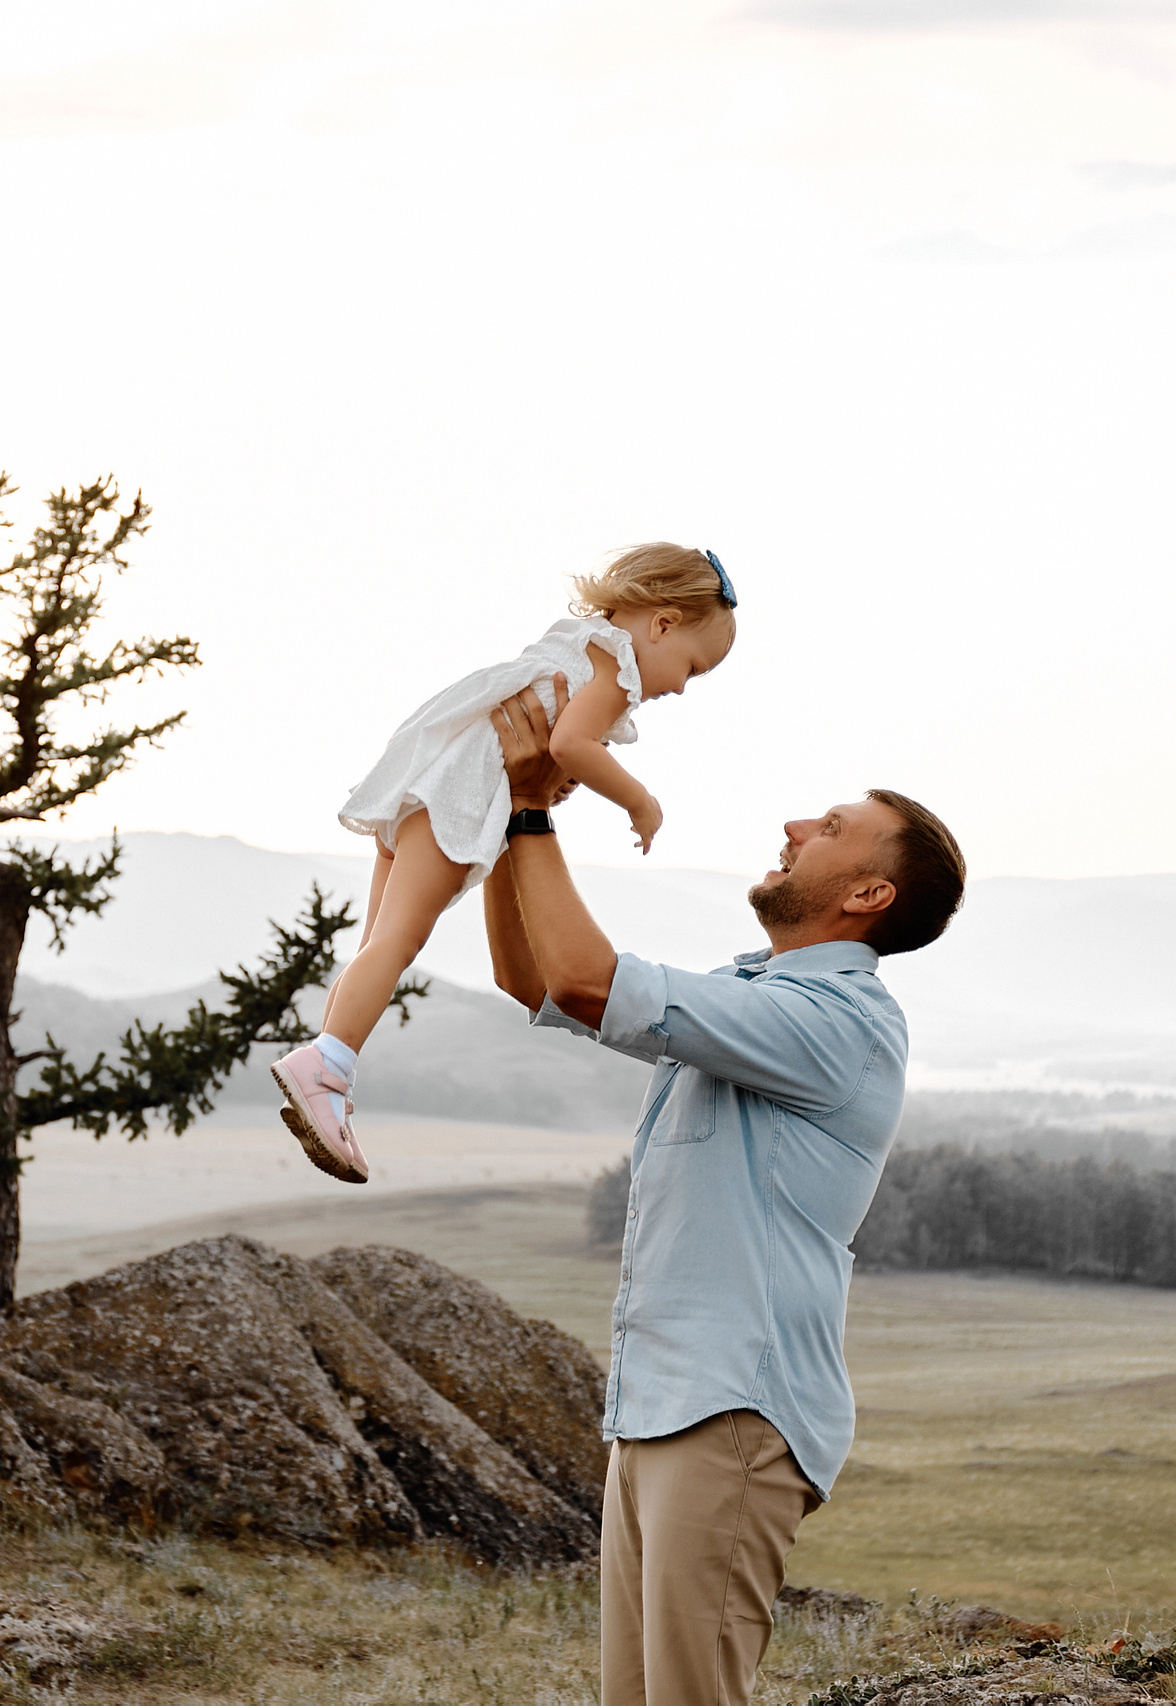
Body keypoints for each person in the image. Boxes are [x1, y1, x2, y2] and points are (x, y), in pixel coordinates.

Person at [481, 678, 964, 1706]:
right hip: (661, 1404)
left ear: (868, 894)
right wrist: (501, 815)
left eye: (831, 827)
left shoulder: (837, 1023)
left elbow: (581, 978)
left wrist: (533, 813)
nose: (794, 825)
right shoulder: (750, 991)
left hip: (733, 1410)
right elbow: (530, 977)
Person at [267, 544, 741, 1186]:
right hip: (457, 793)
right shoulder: (613, 669)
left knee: (379, 944)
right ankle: (326, 1067)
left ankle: (330, 1073)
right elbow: (572, 744)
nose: (682, 686)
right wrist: (640, 801)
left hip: (424, 779)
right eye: (693, 666)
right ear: (661, 624)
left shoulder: (581, 641)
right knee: (399, 943)